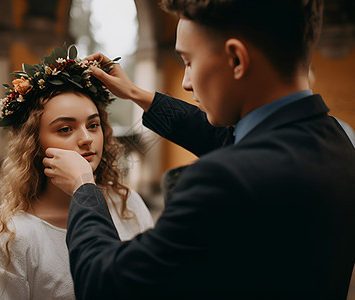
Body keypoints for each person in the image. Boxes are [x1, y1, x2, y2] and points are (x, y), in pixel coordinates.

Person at [43, 1, 355, 299]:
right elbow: (230, 139)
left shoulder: (222, 181)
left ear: (236, 59)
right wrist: (137, 94)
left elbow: (105, 285)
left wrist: (84, 187)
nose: (186, 82)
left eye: (189, 61)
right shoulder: (338, 139)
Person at [0, 45, 153, 299]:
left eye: (93, 125)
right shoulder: (16, 239)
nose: (86, 139)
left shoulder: (127, 203)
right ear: (34, 144)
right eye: (65, 129)